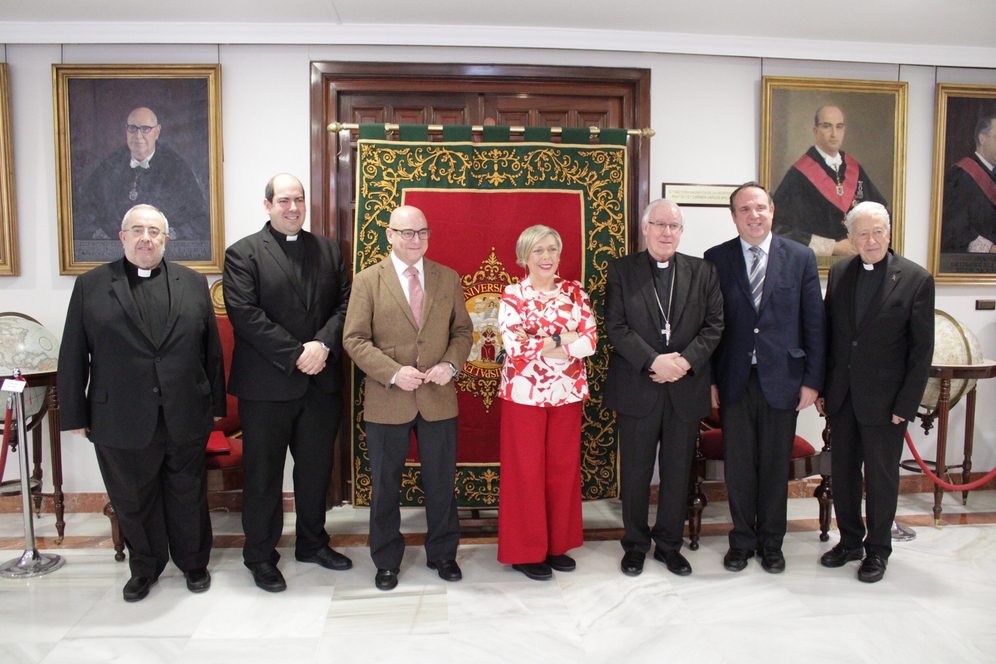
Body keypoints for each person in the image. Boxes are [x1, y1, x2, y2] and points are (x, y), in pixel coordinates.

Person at [58, 204, 225, 602]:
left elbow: (211, 351)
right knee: (132, 498)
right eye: (137, 230)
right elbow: (73, 352)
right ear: (122, 236)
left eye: (154, 231)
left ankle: (194, 563)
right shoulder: (92, 285)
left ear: (166, 238)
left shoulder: (192, 282)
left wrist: (216, 404)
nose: (146, 238)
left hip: (184, 411)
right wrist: (74, 413)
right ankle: (145, 567)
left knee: (187, 492)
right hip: (119, 414)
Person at [223, 173, 352, 593]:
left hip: (319, 384)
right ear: (267, 205)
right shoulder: (242, 254)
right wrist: (299, 352)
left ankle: (313, 542)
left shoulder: (328, 250)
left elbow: (346, 303)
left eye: (298, 199)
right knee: (263, 476)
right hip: (267, 386)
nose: (292, 207)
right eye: (283, 200)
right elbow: (245, 314)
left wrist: (323, 345)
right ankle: (260, 555)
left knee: (316, 472)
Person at [343, 205, 473, 591]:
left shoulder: (447, 278)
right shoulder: (367, 280)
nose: (415, 240)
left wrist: (450, 365)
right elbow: (354, 339)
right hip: (388, 400)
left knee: (440, 481)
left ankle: (443, 554)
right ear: (390, 235)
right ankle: (386, 561)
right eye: (406, 233)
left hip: (438, 398)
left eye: (421, 232)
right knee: (385, 485)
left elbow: (463, 333)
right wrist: (393, 373)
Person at [704, 182, 825, 574]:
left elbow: (814, 323)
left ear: (772, 210)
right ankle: (741, 541)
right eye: (744, 210)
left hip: (784, 380)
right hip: (735, 379)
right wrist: (710, 380)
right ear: (734, 216)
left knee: (775, 466)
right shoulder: (716, 258)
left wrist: (812, 380)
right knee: (739, 467)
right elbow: (709, 326)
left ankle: (772, 544)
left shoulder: (800, 257)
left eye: (760, 207)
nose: (753, 215)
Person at [605, 200, 723, 578]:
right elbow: (616, 326)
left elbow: (714, 326)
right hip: (639, 387)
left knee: (677, 473)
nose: (667, 232)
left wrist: (683, 363)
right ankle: (636, 545)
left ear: (681, 232)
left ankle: (669, 545)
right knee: (637, 473)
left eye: (674, 226)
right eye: (659, 224)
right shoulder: (622, 270)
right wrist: (654, 362)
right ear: (645, 228)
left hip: (684, 389)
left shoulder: (703, 271)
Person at [818, 202, 934, 583]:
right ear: (851, 238)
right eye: (863, 234)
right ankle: (850, 540)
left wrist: (906, 404)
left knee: (882, 478)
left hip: (887, 404)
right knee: (844, 473)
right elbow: (831, 337)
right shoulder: (839, 272)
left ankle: (878, 549)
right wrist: (822, 388)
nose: (871, 240)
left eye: (878, 232)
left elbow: (921, 351)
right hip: (842, 397)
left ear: (888, 232)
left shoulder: (915, 278)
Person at [496, 225, 598, 581]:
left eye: (552, 249)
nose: (546, 257)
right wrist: (563, 338)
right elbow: (515, 348)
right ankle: (526, 551)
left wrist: (542, 339)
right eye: (537, 250)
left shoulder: (574, 291)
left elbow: (590, 343)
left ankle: (557, 545)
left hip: (567, 393)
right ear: (524, 256)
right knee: (525, 472)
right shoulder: (513, 295)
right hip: (523, 395)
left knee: (561, 469)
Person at [74, 106, 209, 243]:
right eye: (132, 128)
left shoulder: (177, 168)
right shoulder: (109, 166)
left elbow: (200, 219)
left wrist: (172, 235)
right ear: (126, 130)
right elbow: (83, 212)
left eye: (145, 129)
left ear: (157, 132)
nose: (138, 136)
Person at [772, 105, 888, 256]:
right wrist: (832, 247)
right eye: (827, 126)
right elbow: (778, 228)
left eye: (839, 127)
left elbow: (882, 214)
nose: (834, 134)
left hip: (856, 261)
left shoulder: (855, 169)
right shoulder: (798, 175)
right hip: (815, 263)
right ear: (815, 131)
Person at [941, 113, 996, 253]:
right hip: (974, 265)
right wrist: (990, 249)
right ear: (982, 139)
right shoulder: (960, 175)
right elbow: (954, 226)